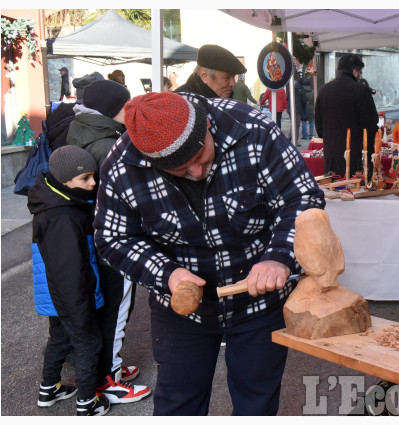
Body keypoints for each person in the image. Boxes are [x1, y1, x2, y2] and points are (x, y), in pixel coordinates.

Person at [93, 91, 325, 415]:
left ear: (206, 126)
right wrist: (167, 274)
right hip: (181, 311)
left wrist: (279, 256)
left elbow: (301, 199)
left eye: (201, 156)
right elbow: (113, 238)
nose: (197, 173)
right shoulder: (123, 165)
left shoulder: (253, 129)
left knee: (256, 403)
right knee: (178, 404)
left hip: (259, 302)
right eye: (181, 170)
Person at [66, 79, 151, 405]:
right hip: (113, 237)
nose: (129, 111)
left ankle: (105, 367)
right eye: (124, 107)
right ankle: (107, 380)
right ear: (111, 111)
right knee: (117, 308)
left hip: (93, 233)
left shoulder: (86, 129)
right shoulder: (105, 145)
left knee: (109, 306)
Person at [28, 145, 110, 416]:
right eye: (85, 178)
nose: (93, 183)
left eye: (93, 176)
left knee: (59, 338)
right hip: (69, 294)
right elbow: (69, 269)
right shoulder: (63, 215)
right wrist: (79, 309)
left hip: (54, 293)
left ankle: (48, 389)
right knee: (88, 343)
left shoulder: (55, 202)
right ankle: (87, 403)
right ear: (65, 180)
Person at [315, 53, 379, 177]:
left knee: (333, 191)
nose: (360, 76)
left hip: (331, 159)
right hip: (356, 159)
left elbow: (320, 128)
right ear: (355, 71)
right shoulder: (361, 91)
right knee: (355, 193)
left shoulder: (323, 91)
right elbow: (370, 126)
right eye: (360, 73)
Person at [174, 44, 246, 98]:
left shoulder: (224, 101)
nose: (233, 83)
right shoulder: (179, 103)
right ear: (204, 75)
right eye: (227, 77)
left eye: (233, 77)